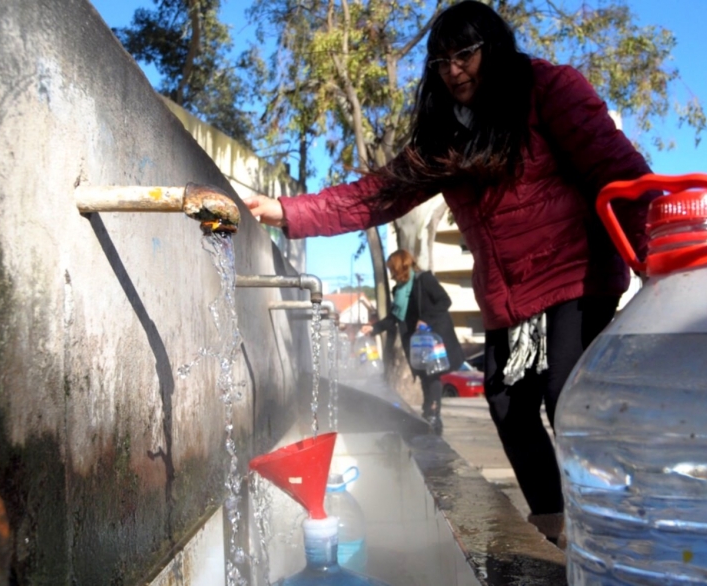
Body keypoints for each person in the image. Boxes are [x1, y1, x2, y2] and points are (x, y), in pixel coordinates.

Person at [244, 0, 655, 542]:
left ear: (494, 50)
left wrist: (653, 261)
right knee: (507, 404)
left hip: (576, 275)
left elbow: (619, 171)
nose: (453, 70)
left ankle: (613, 525)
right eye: (441, 62)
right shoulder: (445, 135)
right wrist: (284, 211)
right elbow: (374, 195)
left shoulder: (548, 89)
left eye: (465, 55)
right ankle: (556, 529)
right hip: (510, 294)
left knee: (567, 396)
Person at [361, 250, 465, 432]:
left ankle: (433, 416)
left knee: (432, 375)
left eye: (392, 269)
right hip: (415, 341)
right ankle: (428, 413)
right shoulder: (399, 290)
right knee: (425, 376)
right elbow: (394, 317)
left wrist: (425, 318)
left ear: (401, 266)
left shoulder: (424, 280)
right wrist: (374, 328)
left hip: (432, 337)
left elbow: (444, 301)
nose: (391, 273)